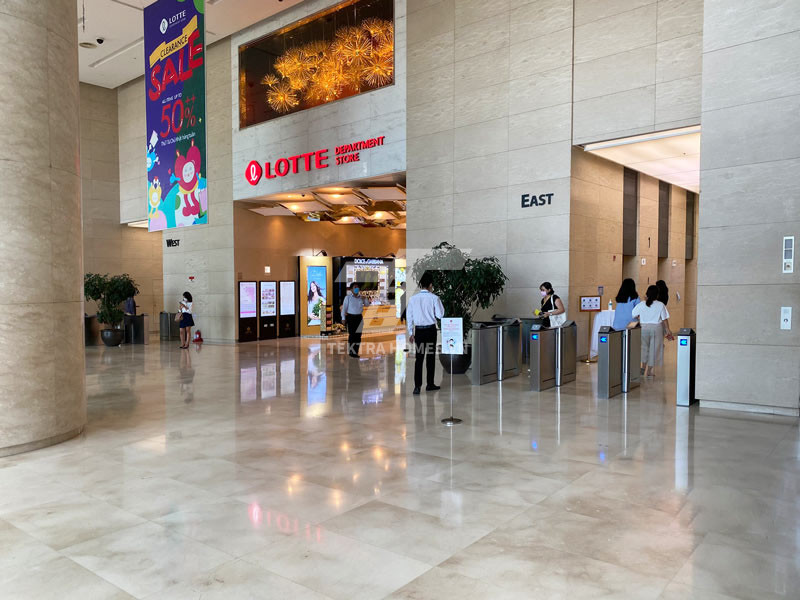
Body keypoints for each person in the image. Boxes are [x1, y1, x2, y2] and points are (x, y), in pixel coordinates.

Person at [406, 271, 444, 395]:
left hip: (419, 331)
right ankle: (430, 384)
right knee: (430, 357)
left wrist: (411, 332)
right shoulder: (434, 298)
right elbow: (440, 315)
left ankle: (417, 387)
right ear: (430, 285)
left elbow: (409, 317)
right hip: (431, 330)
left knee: (419, 358)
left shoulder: (413, 299)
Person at [631, 285, 673, 377]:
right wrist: (668, 329)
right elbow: (664, 319)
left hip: (644, 328)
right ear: (657, 295)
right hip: (656, 329)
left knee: (644, 348)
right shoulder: (660, 305)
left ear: (647, 294)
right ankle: (649, 371)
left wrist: (641, 317)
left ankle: (643, 368)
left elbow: (633, 314)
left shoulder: (642, 304)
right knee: (654, 350)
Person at [341, 282, 365, 358]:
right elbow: (344, 309)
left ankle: (356, 351)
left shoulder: (361, 297)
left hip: (359, 318)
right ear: (351, 289)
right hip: (351, 318)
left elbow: (367, 304)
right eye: (355, 287)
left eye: (357, 287)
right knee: (352, 335)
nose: (357, 289)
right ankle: (351, 352)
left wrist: (365, 299)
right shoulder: (347, 298)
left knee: (358, 336)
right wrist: (343, 318)